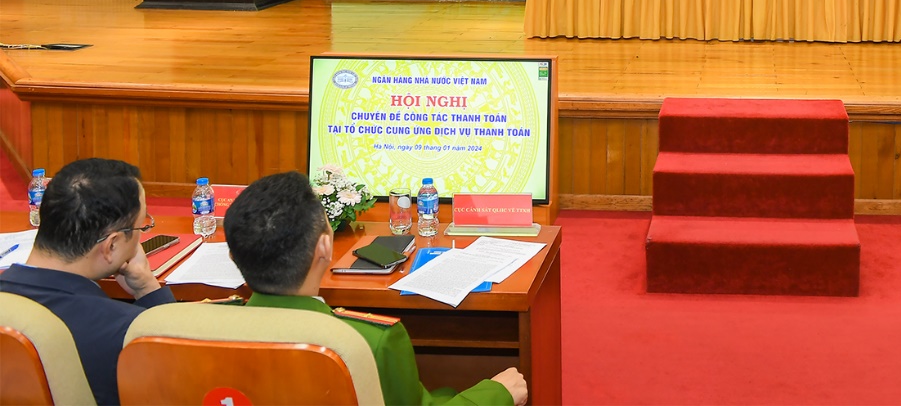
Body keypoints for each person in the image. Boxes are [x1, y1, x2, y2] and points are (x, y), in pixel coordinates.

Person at [224, 171, 526, 406]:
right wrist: (497, 393)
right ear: (325, 247)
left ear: (232, 256)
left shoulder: (205, 327)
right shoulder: (372, 340)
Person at [0, 158, 177, 406]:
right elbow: (177, 370)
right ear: (112, 245)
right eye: (141, 227)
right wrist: (149, 289)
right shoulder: (126, 332)